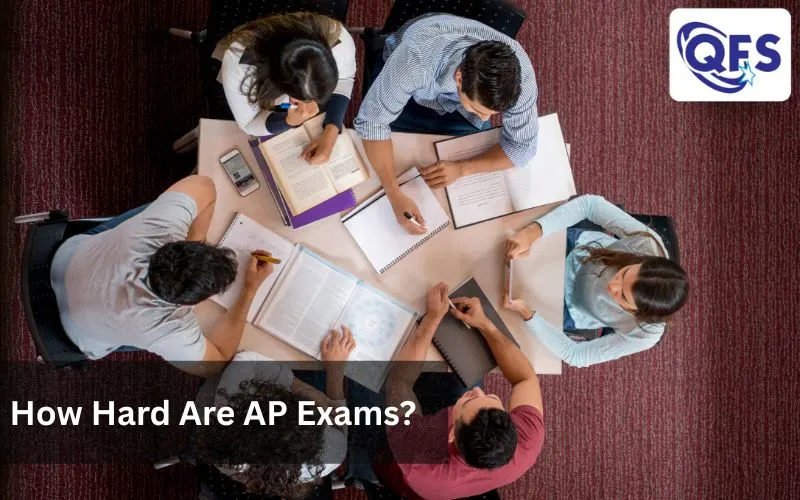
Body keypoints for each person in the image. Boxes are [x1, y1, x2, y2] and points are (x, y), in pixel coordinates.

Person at [50, 175, 273, 376]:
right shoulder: (168, 328)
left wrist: (196, 237)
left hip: (62, 261)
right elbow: (216, 364)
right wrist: (249, 289)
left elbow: (205, 185)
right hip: (72, 332)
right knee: (167, 344)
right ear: (191, 302)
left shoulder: (160, 227)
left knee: (159, 207)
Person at [354, 14, 539, 234]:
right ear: (459, 78)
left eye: (492, 114)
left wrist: (463, 168)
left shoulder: (521, 77)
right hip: (413, 92)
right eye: (478, 110)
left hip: (457, 106)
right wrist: (393, 193)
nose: (484, 121)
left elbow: (522, 148)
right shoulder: (416, 58)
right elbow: (372, 123)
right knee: (377, 175)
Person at [376, 283, 544, 499]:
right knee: (467, 370)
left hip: (407, 464)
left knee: (372, 381)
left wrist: (432, 319)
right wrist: (485, 325)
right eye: (492, 398)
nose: (478, 391)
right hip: (455, 460)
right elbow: (525, 378)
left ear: (451, 433)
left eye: (469, 401)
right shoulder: (528, 440)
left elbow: (399, 382)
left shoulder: (418, 458)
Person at [504, 194, 690, 367]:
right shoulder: (647, 243)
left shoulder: (646, 334)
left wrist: (528, 314)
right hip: (577, 250)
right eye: (623, 274)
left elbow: (576, 355)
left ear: (639, 314)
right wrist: (533, 232)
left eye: (623, 296)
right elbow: (590, 205)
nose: (612, 285)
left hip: (570, 308)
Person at [194, 327, 356, 498]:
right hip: (257, 393)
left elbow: (246, 358)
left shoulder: (226, 413)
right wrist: (334, 371)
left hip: (227, 392)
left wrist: (298, 386)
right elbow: (339, 422)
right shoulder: (330, 455)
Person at [215, 12, 357, 164]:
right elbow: (249, 123)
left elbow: (345, 79)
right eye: (299, 99)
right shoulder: (240, 65)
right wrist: (287, 121)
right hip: (268, 95)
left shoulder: (340, 39)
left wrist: (332, 130)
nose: (312, 106)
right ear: (277, 84)